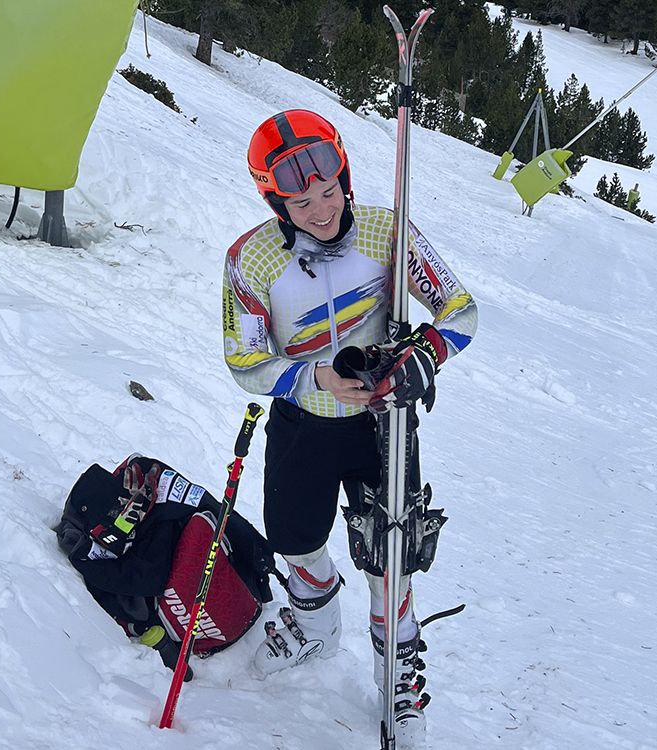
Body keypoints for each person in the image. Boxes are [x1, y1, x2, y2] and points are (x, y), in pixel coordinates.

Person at [220, 109, 478, 743]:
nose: (321, 210)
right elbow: (245, 362)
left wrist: (425, 354)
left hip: (381, 423)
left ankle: (398, 678)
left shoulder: (386, 232)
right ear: (274, 199)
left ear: (346, 177)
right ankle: (314, 618)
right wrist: (315, 380)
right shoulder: (249, 261)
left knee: (393, 554)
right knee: (293, 535)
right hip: (303, 420)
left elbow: (461, 309)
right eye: (302, 201)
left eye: (330, 192)